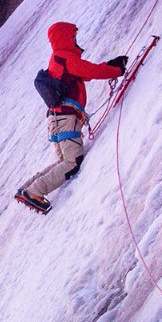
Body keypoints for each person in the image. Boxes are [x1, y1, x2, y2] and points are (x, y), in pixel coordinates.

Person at [15, 22, 126, 214]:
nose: (76, 40)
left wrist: (109, 66)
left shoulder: (58, 60)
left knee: (64, 161)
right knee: (71, 162)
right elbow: (90, 71)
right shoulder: (65, 58)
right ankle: (33, 192)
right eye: (73, 36)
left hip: (57, 118)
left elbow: (83, 74)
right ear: (66, 38)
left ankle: (27, 188)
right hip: (66, 118)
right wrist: (117, 70)